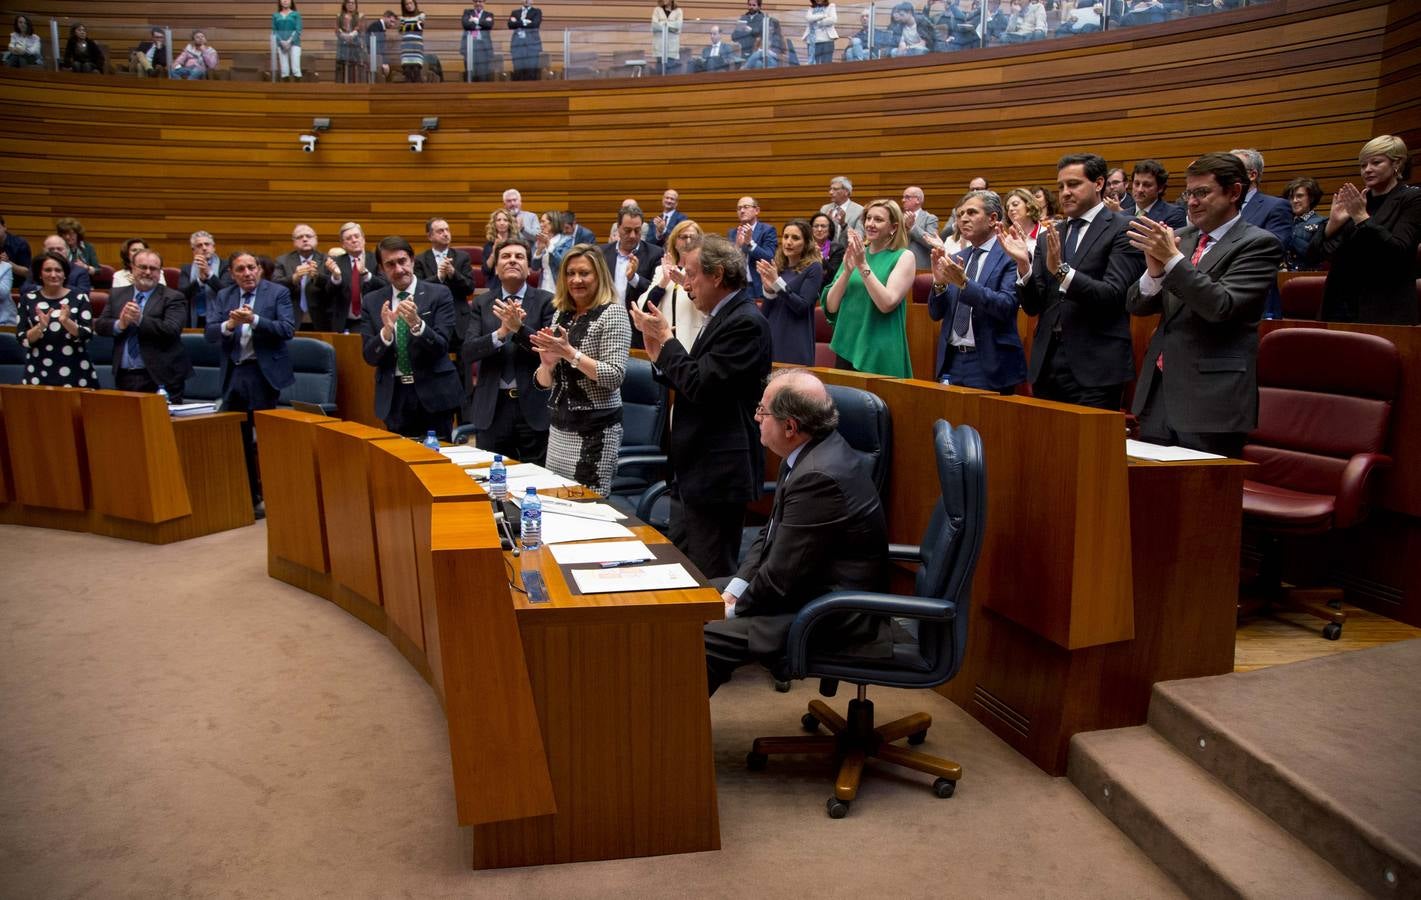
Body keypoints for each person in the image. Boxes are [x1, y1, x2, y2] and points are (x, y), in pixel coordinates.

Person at [703, 369, 889, 696]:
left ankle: (673, 727)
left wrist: (731, 610)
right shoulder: (805, 454)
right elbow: (769, 535)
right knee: (690, 597)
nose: (756, 418)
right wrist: (735, 589)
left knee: (704, 635)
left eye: (762, 411)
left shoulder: (819, 476)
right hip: (805, 590)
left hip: (831, 613)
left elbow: (779, 578)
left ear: (789, 427)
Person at [630, 234, 773, 580]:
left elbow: (701, 386)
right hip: (694, 468)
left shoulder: (745, 323)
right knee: (681, 571)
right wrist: (658, 354)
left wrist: (667, 340)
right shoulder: (721, 316)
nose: (686, 284)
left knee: (709, 576)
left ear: (717, 275)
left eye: (692, 274)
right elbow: (694, 379)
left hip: (718, 471)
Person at [1125, 152, 1283, 457]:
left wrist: (1172, 261)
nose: (1192, 202)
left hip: (1212, 400)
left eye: (1202, 192)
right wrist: (1155, 273)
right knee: (1148, 483)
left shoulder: (1258, 243)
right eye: (1189, 193)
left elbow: (1220, 306)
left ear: (1234, 192)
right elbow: (1137, 305)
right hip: (1159, 393)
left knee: (1202, 487)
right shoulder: (1180, 238)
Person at [1003, 152, 1145, 410]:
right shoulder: (1050, 235)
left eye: (1073, 184)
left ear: (1099, 183)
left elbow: (1113, 295)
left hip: (1097, 366)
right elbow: (1034, 307)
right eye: (1061, 187)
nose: (1065, 193)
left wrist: (1061, 272)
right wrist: (1023, 266)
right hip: (1048, 363)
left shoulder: (1124, 228)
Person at [528, 245, 631, 496]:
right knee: (555, 501)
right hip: (559, 429)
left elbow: (614, 376)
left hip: (595, 432)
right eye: (570, 273)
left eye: (584, 273)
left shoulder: (613, 314)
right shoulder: (562, 315)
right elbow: (544, 383)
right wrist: (547, 364)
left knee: (587, 508)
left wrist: (570, 354)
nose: (576, 280)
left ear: (599, 276)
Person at [205, 251, 297, 514]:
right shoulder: (225, 295)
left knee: (267, 441)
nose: (247, 273)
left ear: (259, 269)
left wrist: (254, 320)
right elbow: (210, 333)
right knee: (238, 439)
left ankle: (276, 496)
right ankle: (249, 497)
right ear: (232, 274)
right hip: (234, 373)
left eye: (251, 267)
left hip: (263, 374)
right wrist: (230, 324)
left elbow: (287, 329)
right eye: (240, 269)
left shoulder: (277, 293)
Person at [463, 238, 557, 465]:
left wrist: (518, 329)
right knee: (493, 475)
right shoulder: (482, 303)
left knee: (536, 476)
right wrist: (502, 333)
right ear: (496, 268)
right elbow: (468, 352)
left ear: (529, 267)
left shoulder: (546, 301)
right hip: (492, 407)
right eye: (506, 256)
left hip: (534, 406)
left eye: (519, 256)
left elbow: (550, 349)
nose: (512, 260)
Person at [1313, 134, 1421, 325]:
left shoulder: (1412, 199)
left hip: (1384, 308)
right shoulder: (1357, 200)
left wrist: (1362, 218)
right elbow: (1315, 254)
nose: (1367, 170)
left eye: (1376, 163)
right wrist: (1332, 225)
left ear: (1397, 164)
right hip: (1339, 305)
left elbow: (1398, 251)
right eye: (1363, 165)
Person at [361, 235, 462, 439]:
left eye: (402, 261)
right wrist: (386, 333)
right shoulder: (372, 301)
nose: (398, 269)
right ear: (381, 268)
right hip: (394, 396)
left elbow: (442, 345)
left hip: (434, 394)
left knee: (437, 454)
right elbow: (369, 357)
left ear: (412, 260)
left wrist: (417, 324)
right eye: (390, 264)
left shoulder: (439, 294)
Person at [928, 191, 1027, 392]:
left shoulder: (1010, 256)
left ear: (992, 219)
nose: (963, 219)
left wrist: (965, 284)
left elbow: (1006, 306)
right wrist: (939, 284)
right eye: (960, 214)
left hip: (991, 363)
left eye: (971, 213)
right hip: (952, 360)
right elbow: (935, 314)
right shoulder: (956, 258)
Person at [822, 199, 916, 378]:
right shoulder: (856, 253)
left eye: (878, 220)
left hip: (879, 350)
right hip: (847, 345)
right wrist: (847, 272)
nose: (870, 224)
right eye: (868, 218)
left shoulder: (904, 257)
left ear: (893, 227)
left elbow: (887, 303)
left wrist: (863, 265)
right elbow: (831, 307)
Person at [95, 249, 193, 401]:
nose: (148, 272)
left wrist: (139, 319)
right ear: (132, 268)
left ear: (159, 272)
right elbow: (100, 325)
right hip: (125, 375)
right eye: (142, 267)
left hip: (162, 377)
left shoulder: (173, 297)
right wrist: (120, 324)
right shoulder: (117, 294)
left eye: (153, 268)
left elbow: (172, 329)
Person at [16, 252, 96, 388]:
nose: (53, 274)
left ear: (65, 274)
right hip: (38, 370)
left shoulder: (80, 298)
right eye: (48, 270)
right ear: (40, 274)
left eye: (58, 270)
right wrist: (40, 327)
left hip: (75, 370)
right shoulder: (27, 299)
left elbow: (87, 335)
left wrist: (66, 322)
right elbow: (22, 339)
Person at [759, 220, 823, 365]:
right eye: (786, 236)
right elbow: (766, 313)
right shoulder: (778, 267)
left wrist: (777, 283)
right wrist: (769, 290)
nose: (788, 242)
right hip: (772, 336)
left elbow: (801, 306)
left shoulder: (814, 268)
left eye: (795, 238)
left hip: (795, 340)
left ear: (806, 243)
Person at [636, 219, 706, 350]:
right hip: (665, 344)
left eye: (693, 237)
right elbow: (645, 309)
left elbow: (708, 304)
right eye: (683, 237)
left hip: (693, 340)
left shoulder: (704, 271)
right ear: (675, 242)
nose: (688, 241)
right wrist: (663, 283)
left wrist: (684, 283)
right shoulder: (661, 270)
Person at [318, 222, 388, 334]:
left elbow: (385, 285)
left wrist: (366, 274)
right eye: (349, 238)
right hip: (344, 322)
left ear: (363, 239)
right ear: (343, 244)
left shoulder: (376, 260)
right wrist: (336, 277)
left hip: (372, 319)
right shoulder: (335, 262)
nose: (354, 240)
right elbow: (328, 294)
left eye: (356, 236)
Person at [603, 204, 664, 317]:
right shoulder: (602, 253)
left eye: (637, 230)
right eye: (627, 230)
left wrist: (633, 278)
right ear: (618, 227)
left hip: (637, 322)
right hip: (605, 319)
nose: (632, 235)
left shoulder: (655, 254)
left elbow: (657, 290)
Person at [272, 224, 326, 328]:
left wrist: (317, 277)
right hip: (291, 317)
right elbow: (274, 286)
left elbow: (333, 286)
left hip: (321, 318)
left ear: (316, 239)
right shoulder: (282, 261)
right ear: (294, 241)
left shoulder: (326, 260)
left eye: (308, 236)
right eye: (300, 237)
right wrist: (294, 278)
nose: (305, 239)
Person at [414, 217, 475, 307]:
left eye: (447, 230)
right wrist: (439, 277)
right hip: (431, 308)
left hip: (457, 308)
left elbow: (470, 289)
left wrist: (453, 273)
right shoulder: (420, 260)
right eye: (440, 231)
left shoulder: (463, 257)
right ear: (430, 236)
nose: (446, 234)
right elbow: (418, 289)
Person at [178, 230, 231, 327]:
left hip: (219, 317)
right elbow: (181, 295)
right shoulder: (186, 268)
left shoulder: (225, 266)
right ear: (193, 250)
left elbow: (227, 292)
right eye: (199, 245)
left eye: (207, 244)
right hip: (193, 318)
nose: (204, 248)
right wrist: (200, 281)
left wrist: (209, 274)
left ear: (213, 248)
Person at [730, 196, 778, 299]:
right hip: (737, 288)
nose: (742, 211)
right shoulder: (732, 233)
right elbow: (727, 262)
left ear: (757, 210)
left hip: (757, 286)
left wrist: (750, 243)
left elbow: (769, 257)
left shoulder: (767, 230)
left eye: (746, 207)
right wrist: (737, 247)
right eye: (739, 208)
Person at [22, 235, 92, 295]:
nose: (55, 252)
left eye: (59, 249)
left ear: (67, 251)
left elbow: (84, 293)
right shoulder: (36, 268)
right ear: (44, 251)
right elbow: (24, 289)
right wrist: (45, 287)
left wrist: (57, 287)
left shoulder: (80, 271)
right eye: (51, 249)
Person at [1282, 176, 1325, 271]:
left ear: (1311, 198)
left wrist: (1290, 234)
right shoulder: (1284, 223)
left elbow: (1315, 254)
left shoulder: (1322, 222)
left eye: (1299, 196)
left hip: (1309, 276)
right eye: (1291, 197)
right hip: (1283, 275)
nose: (1294, 200)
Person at [1130, 159, 1188, 228]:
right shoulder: (1122, 215)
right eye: (1137, 184)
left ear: (1160, 188)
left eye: (1147, 185)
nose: (1140, 190)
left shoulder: (1174, 214)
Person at [902, 186, 942, 270]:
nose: (903, 200)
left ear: (918, 200)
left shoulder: (930, 218)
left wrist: (913, 227)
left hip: (920, 268)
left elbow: (933, 243)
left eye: (907, 197)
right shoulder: (898, 218)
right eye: (903, 197)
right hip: (899, 265)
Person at [820, 176, 865, 241]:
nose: (830, 192)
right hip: (827, 247)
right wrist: (827, 224)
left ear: (846, 192)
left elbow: (859, 237)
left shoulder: (859, 210)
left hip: (847, 247)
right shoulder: (824, 209)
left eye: (835, 189)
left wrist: (843, 225)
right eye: (830, 189)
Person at [1004, 187, 1046, 254]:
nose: (1010, 209)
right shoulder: (1008, 240)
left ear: (1029, 206)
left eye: (1015, 204)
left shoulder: (1045, 234)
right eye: (1007, 207)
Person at [508, 0, 543, 81]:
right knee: (518, 71)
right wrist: (525, 21)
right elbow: (510, 25)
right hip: (517, 45)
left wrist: (518, 22)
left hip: (532, 46)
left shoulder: (537, 12)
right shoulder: (515, 12)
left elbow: (535, 24)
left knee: (531, 71)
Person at [461, 0, 495, 81]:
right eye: (476, 1)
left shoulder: (489, 14)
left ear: (484, 3)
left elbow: (489, 25)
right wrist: (481, 24)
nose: (478, 3)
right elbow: (466, 24)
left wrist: (475, 20)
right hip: (470, 46)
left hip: (483, 48)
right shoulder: (467, 12)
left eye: (480, 1)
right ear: (473, 3)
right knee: (470, 75)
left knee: (483, 75)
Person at [809, 212, 845, 287]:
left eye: (823, 226)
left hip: (827, 288)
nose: (819, 229)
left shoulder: (837, 249)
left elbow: (834, 275)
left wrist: (820, 257)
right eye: (816, 226)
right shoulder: (805, 247)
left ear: (829, 229)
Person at [335, 1, 367, 84]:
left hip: (356, 47)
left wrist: (352, 34)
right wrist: (344, 35)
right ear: (345, 4)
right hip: (343, 47)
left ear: (356, 5)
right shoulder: (339, 16)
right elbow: (337, 30)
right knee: (343, 69)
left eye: (353, 3)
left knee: (356, 69)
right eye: (348, 3)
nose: (351, 5)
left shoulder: (360, 16)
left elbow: (361, 29)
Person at [273, 0, 304, 82]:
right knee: (284, 70)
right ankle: (285, 89)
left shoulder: (296, 14)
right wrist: (281, 42)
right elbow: (274, 31)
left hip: (294, 44)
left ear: (291, 1)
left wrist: (289, 41)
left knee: (295, 68)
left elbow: (298, 30)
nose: (285, 1)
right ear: (280, 2)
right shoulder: (275, 15)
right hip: (281, 44)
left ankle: (298, 89)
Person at [482, 209, 515, 282]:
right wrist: (494, 250)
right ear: (494, 224)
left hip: (513, 281)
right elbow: (485, 270)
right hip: (495, 282)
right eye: (498, 220)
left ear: (510, 223)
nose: (502, 223)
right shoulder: (489, 245)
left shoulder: (517, 244)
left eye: (505, 220)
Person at [398, 0, 426, 83]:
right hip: (406, 46)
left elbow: (419, 28)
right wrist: (413, 25)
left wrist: (407, 26)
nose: (409, 6)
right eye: (406, 4)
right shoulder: (402, 17)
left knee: (416, 69)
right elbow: (401, 30)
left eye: (410, 3)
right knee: (407, 70)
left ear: (414, 4)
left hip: (416, 46)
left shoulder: (421, 15)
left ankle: (418, 90)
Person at [0, 214, 33, 284]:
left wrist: (8, 263)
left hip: (17, 286)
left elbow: (27, 272)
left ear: (4, 227)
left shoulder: (20, 243)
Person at [652, 0, 683, 74]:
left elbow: (678, 27)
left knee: (670, 74)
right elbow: (655, 26)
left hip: (672, 48)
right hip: (659, 48)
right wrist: (671, 25)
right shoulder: (657, 10)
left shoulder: (678, 11)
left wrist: (663, 23)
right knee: (659, 73)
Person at [367, 9, 399, 81]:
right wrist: (383, 63)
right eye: (391, 21)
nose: (392, 25)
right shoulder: (376, 26)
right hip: (374, 61)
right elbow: (376, 47)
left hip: (377, 60)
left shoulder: (379, 27)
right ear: (385, 17)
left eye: (394, 23)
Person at [804, 1, 839, 66]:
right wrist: (823, 15)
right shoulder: (811, 8)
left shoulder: (831, 6)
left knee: (826, 65)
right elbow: (808, 18)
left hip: (827, 40)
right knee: (813, 66)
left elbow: (833, 19)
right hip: (812, 42)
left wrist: (819, 23)